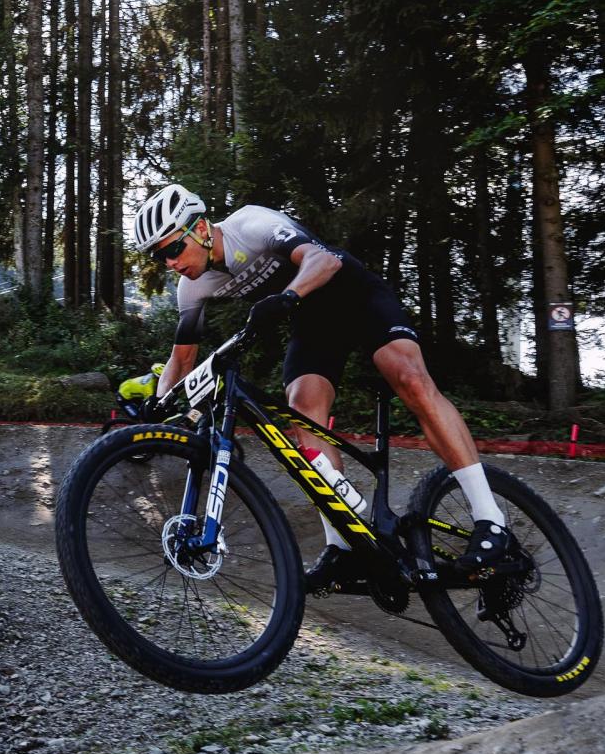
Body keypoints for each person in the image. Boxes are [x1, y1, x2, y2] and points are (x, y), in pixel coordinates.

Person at [132, 183, 513, 594]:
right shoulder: (192, 287)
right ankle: (342, 545)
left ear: (202, 228)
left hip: (352, 292)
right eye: (159, 257)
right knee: (302, 409)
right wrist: (157, 405)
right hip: (312, 322)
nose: (169, 263)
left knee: (407, 376)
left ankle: (491, 519)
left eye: (172, 250)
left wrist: (288, 295)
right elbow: (182, 359)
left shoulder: (250, 223)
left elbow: (322, 259)